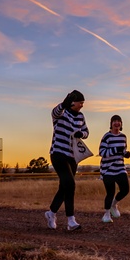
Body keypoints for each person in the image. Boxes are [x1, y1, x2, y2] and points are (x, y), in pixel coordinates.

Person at [45, 90, 88, 231]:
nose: (82, 105)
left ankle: (51, 213)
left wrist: (81, 133)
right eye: (80, 102)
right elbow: (54, 113)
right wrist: (63, 103)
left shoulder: (81, 116)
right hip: (58, 153)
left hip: (72, 156)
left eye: (83, 102)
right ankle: (71, 220)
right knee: (70, 184)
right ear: (72, 102)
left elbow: (86, 131)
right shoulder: (62, 113)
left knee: (64, 187)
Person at [99, 114, 130, 223]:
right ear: (111, 124)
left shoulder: (123, 137)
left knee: (125, 189)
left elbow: (122, 151)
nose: (116, 123)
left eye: (119, 121)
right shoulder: (106, 137)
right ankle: (106, 215)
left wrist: (125, 154)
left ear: (121, 124)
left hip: (120, 167)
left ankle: (113, 205)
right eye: (114, 121)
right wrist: (115, 150)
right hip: (108, 168)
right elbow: (102, 152)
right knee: (110, 192)